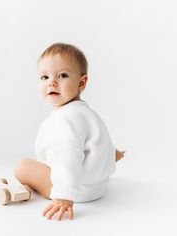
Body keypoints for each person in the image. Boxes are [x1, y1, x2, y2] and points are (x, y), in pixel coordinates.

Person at [14, 42, 125, 221]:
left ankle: (53, 189)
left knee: (22, 167)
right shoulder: (84, 112)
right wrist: (112, 153)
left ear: (81, 83)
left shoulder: (65, 118)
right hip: (99, 186)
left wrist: (64, 195)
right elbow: (96, 140)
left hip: (77, 189)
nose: (52, 82)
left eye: (62, 75)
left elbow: (69, 154)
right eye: (44, 77)